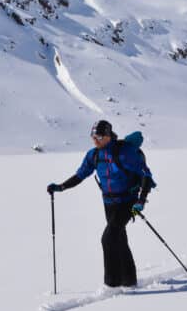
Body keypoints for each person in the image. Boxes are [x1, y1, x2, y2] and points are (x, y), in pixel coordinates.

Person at [47, 120, 155, 288]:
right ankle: (129, 280)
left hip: (129, 203)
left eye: (98, 136)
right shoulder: (94, 155)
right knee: (119, 238)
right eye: (93, 136)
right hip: (108, 203)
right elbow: (80, 175)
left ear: (108, 136)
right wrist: (61, 187)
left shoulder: (124, 153)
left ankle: (112, 284)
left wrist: (141, 201)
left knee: (108, 239)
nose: (95, 140)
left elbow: (146, 176)